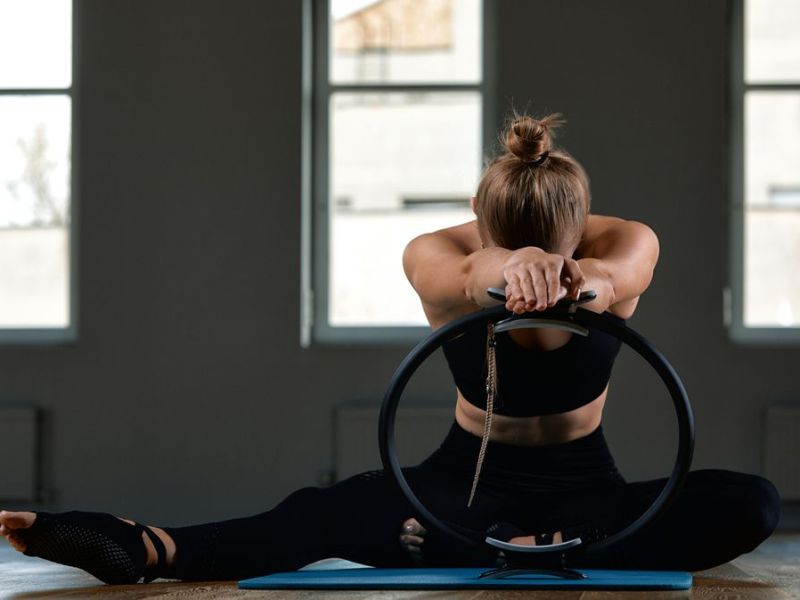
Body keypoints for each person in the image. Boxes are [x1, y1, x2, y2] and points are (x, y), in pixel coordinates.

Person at [0, 114, 781, 585]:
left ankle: (542, 547)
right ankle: (143, 544)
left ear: (581, 228)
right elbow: (468, 271)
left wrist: (588, 284)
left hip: (591, 494)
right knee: (315, 515)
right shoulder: (439, 252)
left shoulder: (620, 241)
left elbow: (623, 269)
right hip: (461, 489)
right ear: (481, 221)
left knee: (752, 502)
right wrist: (508, 271)